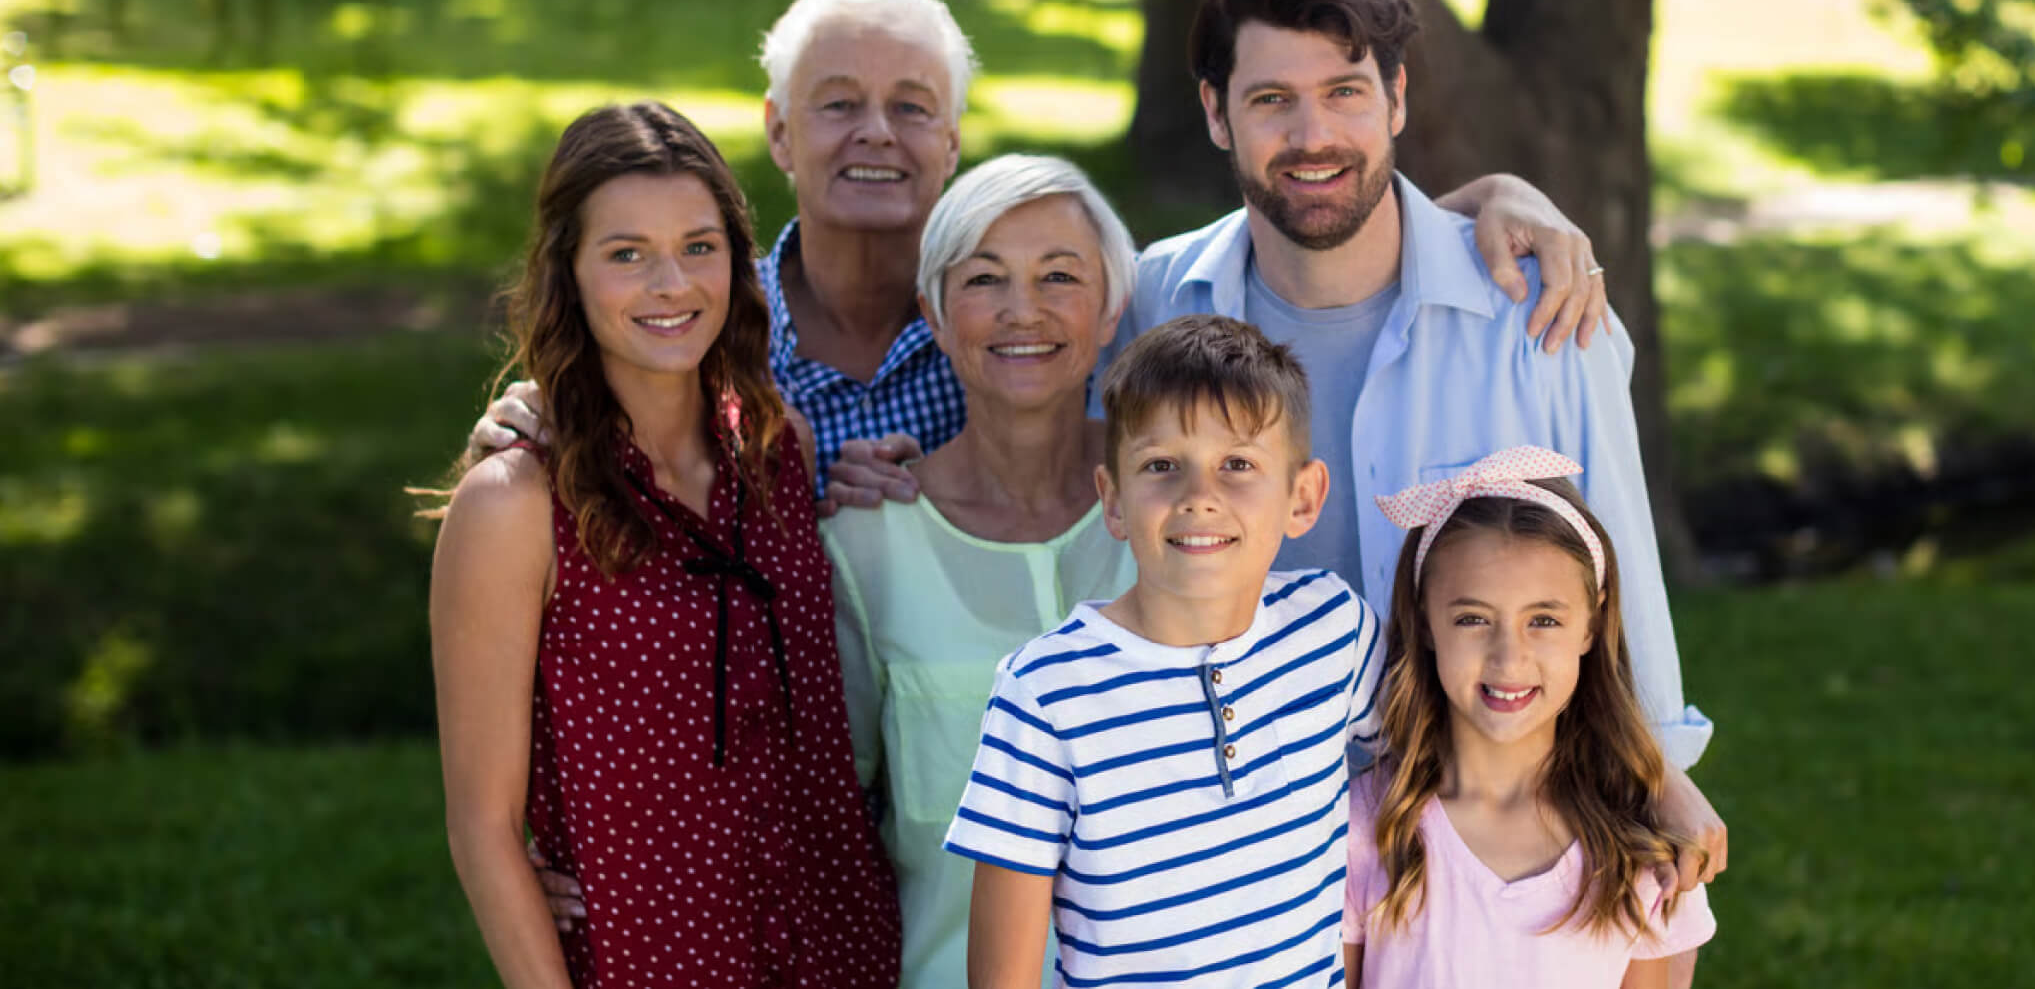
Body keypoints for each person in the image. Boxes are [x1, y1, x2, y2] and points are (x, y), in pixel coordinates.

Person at [1112, 0, 1729, 908]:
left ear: (1397, 98)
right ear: (1216, 115)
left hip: (1488, 835)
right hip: (1236, 829)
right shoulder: (1159, 294)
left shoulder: (1540, 311)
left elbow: (1621, 565)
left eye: (1346, 92)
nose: (1313, 134)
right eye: (1272, 99)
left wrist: (1657, 770)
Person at [472, 0, 1613, 502]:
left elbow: (1313, 220)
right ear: (776, 128)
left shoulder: (1048, 328)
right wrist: (537, 410)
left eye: (913, 105)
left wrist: (1488, 199)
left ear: (956, 138)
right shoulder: (707, 332)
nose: (878, 133)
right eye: (836, 104)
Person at [425, 101, 899, 988]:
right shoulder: (515, 505)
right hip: (649, 953)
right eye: (626, 254)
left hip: (841, 945)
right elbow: (483, 830)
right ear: (568, 271)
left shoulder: (778, 452)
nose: (671, 284)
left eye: (699, 246)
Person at [946, 314, 1382, 989]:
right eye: (1161, 467)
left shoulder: (1335, 630)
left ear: (1303, 498)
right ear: (1113, 501)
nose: (1199, 497)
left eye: (1237, 464)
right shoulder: (1045, 695)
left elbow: (1444, 779)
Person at [823, 154, 1140, 988]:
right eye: (985, 280)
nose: (1021, 311)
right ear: (932, 312)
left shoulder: (1181, 516)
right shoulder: (865, 543)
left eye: (1060, 276)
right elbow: (832, 818)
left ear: (1110, 310)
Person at [1343, 447, 1714, 988]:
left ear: (1591, 623)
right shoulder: (1367, 828)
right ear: (1424, 621)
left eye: (1543, 619)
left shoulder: (1644, 846)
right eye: (1472, 619)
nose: (1508, 658)